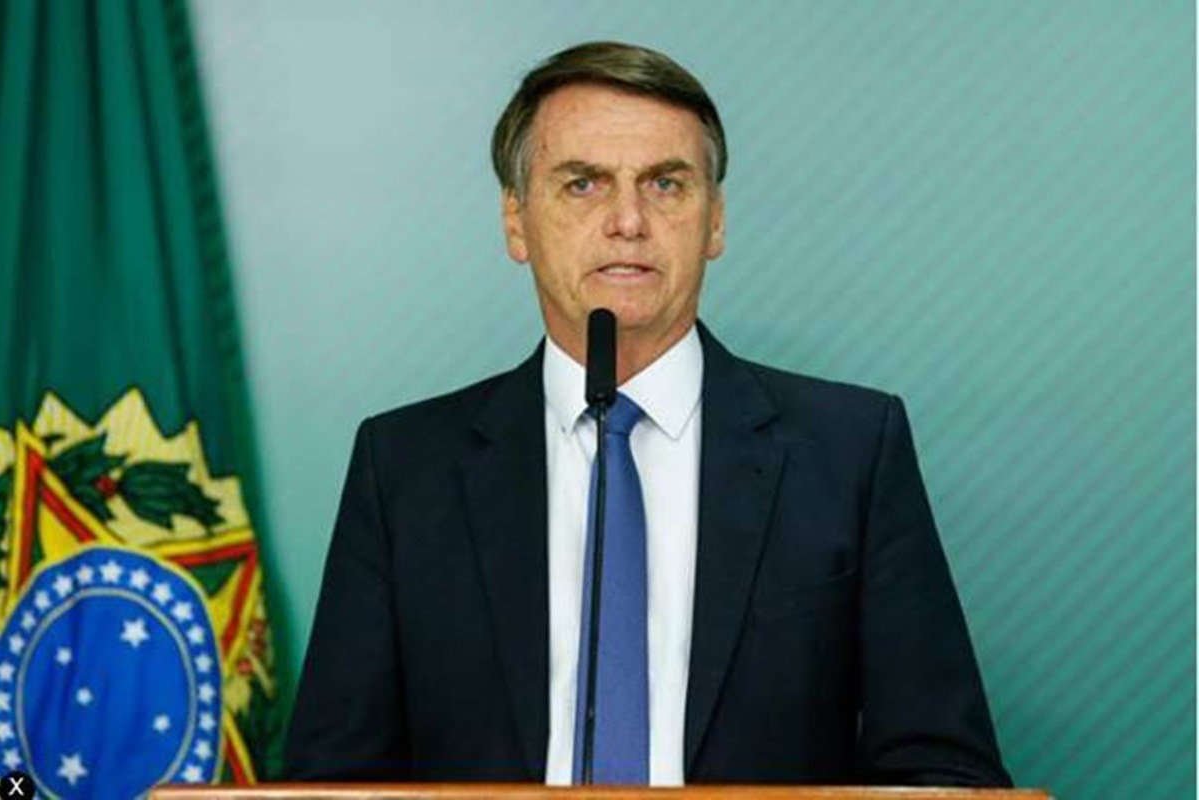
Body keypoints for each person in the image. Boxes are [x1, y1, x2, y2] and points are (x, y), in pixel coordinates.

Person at [284, 41, 1011, 787]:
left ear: (715, 221)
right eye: (583, 184)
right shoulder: (403, 468)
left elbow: (945, 770)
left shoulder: (850, 450)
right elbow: (332, 780)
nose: (628, 220)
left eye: (666, 184)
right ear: (516, 220)